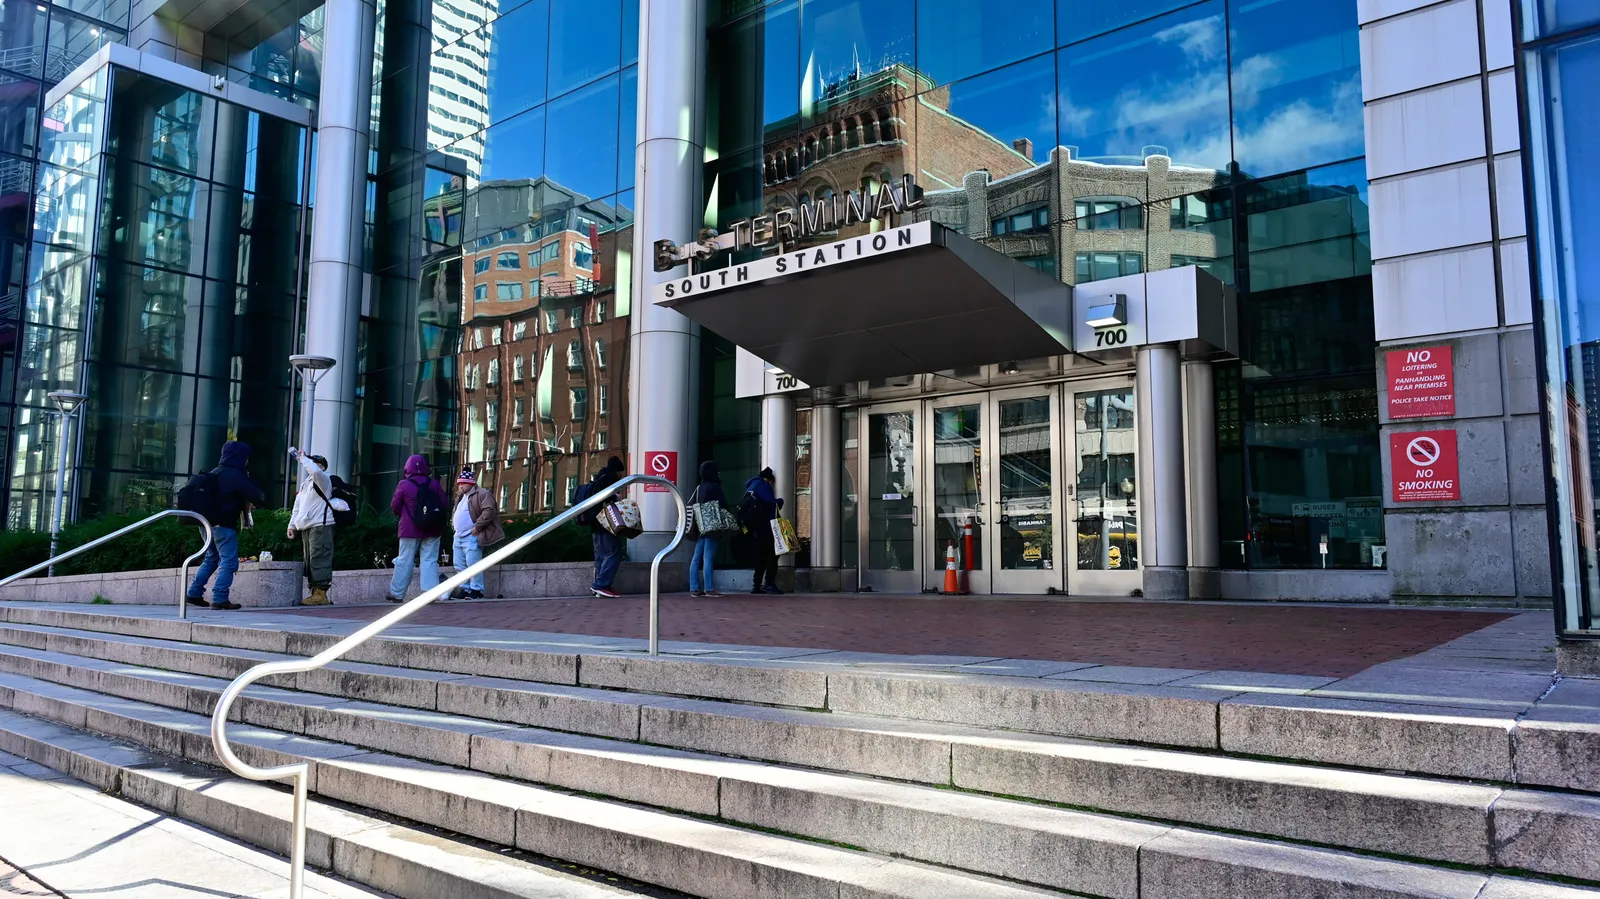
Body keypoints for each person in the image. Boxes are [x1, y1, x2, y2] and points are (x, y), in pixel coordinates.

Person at [186, 441, 267, 610]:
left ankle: (194, 593)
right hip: (223, 525)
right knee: (229, 562)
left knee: (211, 559)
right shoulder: (236, 475)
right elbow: (258, 496)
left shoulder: (214, 472)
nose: (247, 461)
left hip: (205, 524)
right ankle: (220, 598)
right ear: (241, 458)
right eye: (246, 458)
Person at [386, 454, 447, 602]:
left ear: (407, 468)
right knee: (430, 560)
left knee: (405, 560)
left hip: (409, 529)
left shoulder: (404, 484)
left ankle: (397, 593)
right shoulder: (434, 484)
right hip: (432, 529)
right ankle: (429, 593)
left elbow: (395, 506)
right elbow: (444, 505)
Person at [286, 449, 340, 606]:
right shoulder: (305, 484)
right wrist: (292, 525)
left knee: (319, 557)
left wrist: (303, 458)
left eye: (316, 463)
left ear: (322, 466)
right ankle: (315, 592)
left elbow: (315, 471)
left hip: (321, 525)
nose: (313, 465)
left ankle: (321, 594)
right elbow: (298, 506)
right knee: (310, 560)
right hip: (307, 527)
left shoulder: (324, 479)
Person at [450, 469, 505, 600]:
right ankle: (465, 588)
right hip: (458, 535)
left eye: (463, 483)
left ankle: (476, 590)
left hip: (472, 535)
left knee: (473, 562)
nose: (460, 486)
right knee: (459, 564)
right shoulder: (461, 497)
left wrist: (478, 526)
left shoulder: (482, 493)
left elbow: (489, 511)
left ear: (470, 483)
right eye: (459, 483)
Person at [587, 456, 626, 598]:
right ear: (616, 470)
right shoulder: (607, 479)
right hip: (604, 523)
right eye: (620, 472)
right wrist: (616, 498)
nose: (621, 475)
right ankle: (600, 585)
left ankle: (600, 587)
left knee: (601, 556)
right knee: (614, 551)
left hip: (595, 523)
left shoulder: (600, 477)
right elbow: (603, 498)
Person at [741, 467, 784, 595]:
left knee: (760, 557)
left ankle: (757, 585)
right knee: (773, 554)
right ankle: (769, 583)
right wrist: (780, 501)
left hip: (755, 530)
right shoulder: (764, 486)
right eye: (771, 482)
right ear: (768, 479)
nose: (771, 485)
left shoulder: (750, 487)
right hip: (766, 528)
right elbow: (771, 505)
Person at [687, 460, 727, 597]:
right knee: (708, 558)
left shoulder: (699, 487)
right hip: (712, 527)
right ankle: (709, 588)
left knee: (696, 558)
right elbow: (723, 507)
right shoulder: (714, 487)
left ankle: (694, 588)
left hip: (700, 527)